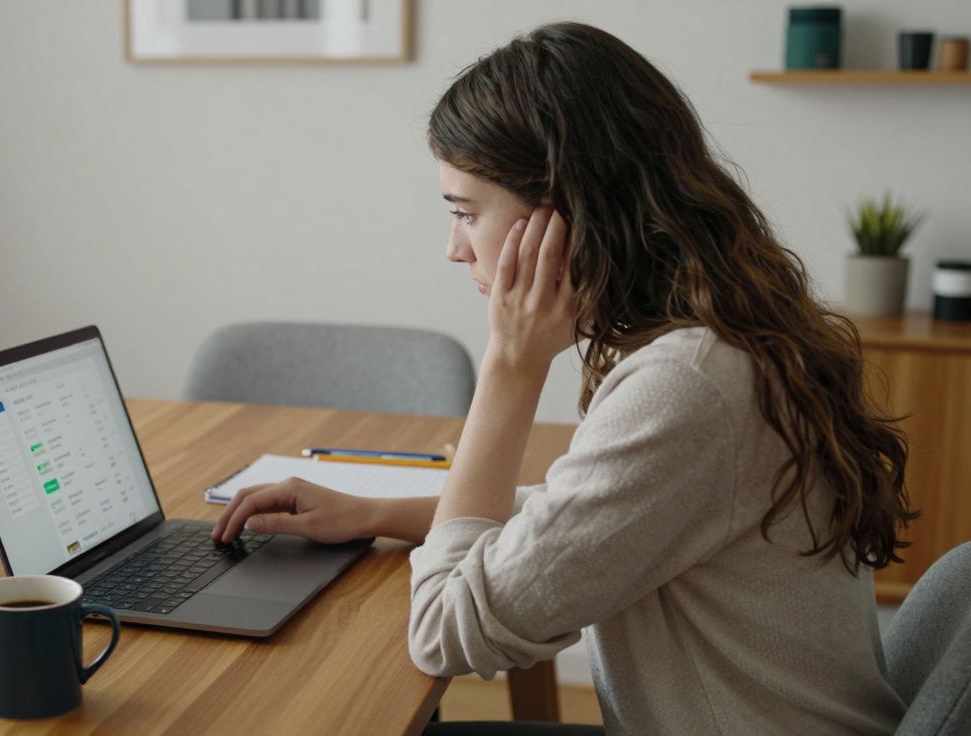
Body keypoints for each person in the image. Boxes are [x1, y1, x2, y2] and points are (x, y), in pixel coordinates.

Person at [212, 22, 914, 735]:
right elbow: (582, 516)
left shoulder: (689, 386)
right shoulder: (723, 342)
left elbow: (448, 630)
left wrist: (509, 368)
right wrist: (372, 511)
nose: (454, 248)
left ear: (566, 213)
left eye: (465, 212)